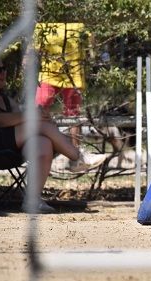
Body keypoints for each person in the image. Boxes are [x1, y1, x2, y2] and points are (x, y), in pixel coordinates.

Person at [0, 56, 106, 213]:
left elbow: (20, 122)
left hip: (13, 148)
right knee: (37, 122)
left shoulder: (7, 101)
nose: (2, 73)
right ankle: (77, 157)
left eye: (3, 68)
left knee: (43, 142)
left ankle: (32, 200)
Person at [33, 22, 97, 170]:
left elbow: (91, 47)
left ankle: (77, 157)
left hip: (73, 73)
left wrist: (90, 54)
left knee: (73, 114)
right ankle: (37, 149)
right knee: (39, 109)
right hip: (49, 73)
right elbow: (34, 49)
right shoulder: (43, 25)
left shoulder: (81, 25)